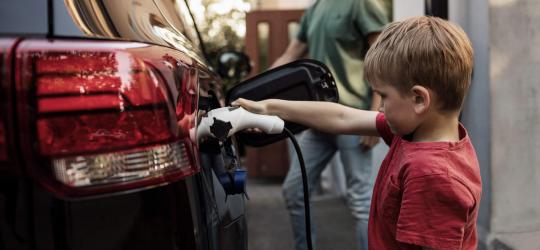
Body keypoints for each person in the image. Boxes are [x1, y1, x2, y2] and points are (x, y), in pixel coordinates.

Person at [233, 16, 482, 249]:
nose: (381, 106)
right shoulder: (417, 132)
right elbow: (342, 116)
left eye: (384, 96)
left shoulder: (432, 175)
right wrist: (270, 107)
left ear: (419, 99)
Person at [269, 1, 391, 249]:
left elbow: (382, 56)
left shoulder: (360, 4)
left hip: (354, 118)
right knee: (295, 191)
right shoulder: (315, 9)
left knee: (360, 202)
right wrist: (257, 91)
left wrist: (376, 115)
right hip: (320, 119)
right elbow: (290, 54)